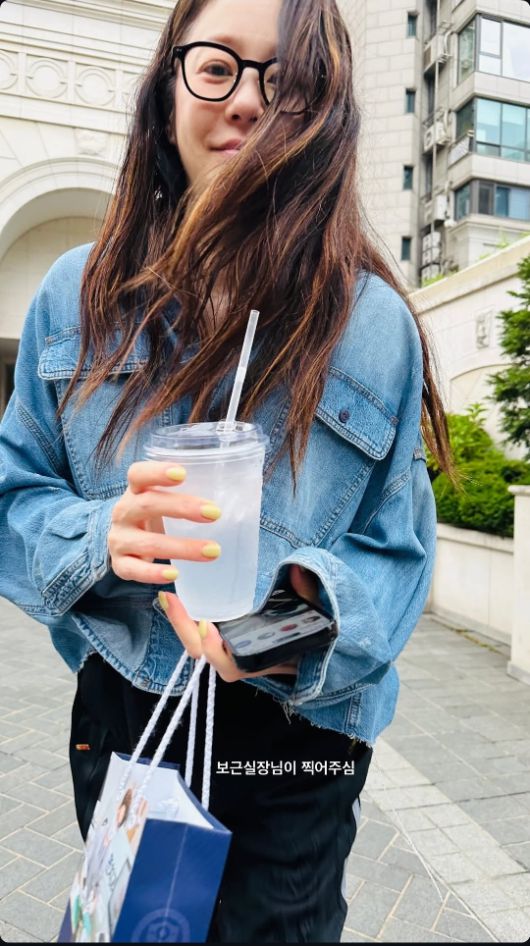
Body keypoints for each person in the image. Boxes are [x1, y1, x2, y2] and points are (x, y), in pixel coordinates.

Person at [0, 0, 452, 941]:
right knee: (129, 927)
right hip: (128, 704)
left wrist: (277, 626)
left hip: (295, 733)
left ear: (326, 111)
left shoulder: (371, 325)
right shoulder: (75, 297)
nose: (247, 100)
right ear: (168, 86)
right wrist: (98, 535)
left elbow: (396, 556)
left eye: (284, 80)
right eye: (217, 66)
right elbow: (17, 492)